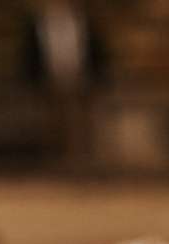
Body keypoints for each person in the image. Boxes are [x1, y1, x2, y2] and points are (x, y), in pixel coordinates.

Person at [22, 1, 108, 176]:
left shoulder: (85, 23)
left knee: (80, 126)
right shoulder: (37, 25)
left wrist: (95, 79)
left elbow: (97, 53)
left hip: (81, 83)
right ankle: (54, 162)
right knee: (53, 125)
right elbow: (29, 56)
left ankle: (81, 163)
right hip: (49, 84)